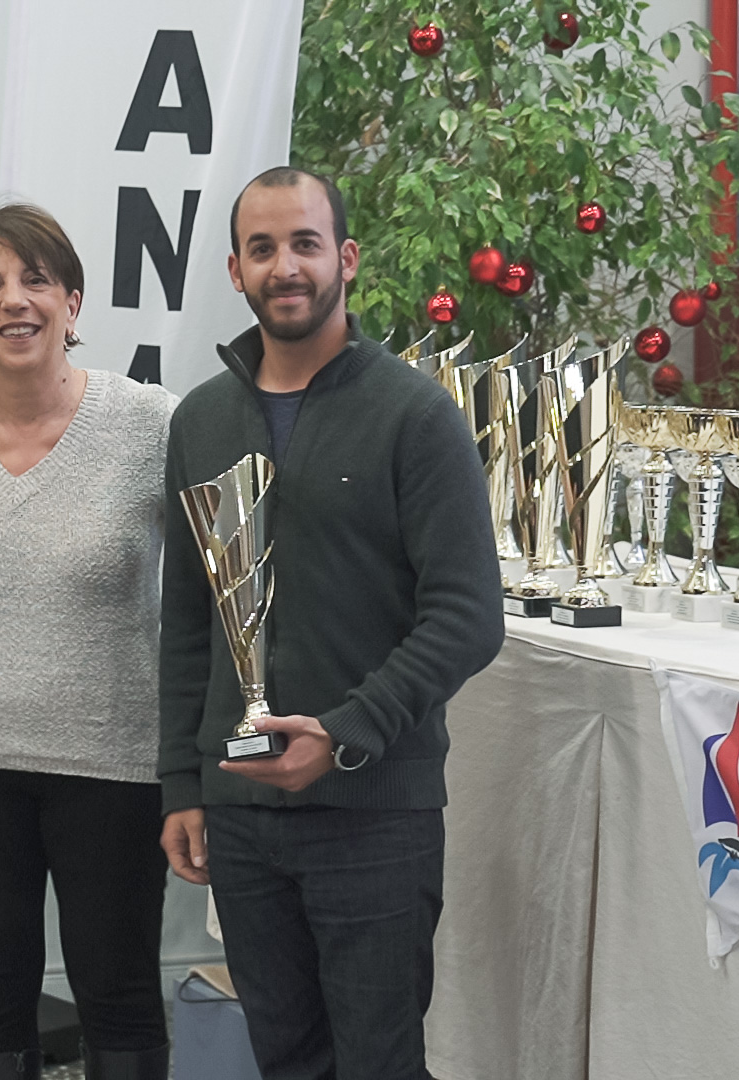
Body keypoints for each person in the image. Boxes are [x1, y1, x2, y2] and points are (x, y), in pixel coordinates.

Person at [157, 167, 505, 1079]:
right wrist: (183, 784)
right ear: (235, 270)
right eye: (262, 248)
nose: (286, 267)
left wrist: (347, 733)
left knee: (378, 1064)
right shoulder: (200, 421)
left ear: (345, 258)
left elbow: (470, 615)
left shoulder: (415, 417)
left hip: (373, 813)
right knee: (286, 1059)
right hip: (242, 813)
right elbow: (188, 621)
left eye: (305, 244)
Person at [0, 203, 178, 1080]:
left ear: (72, 303)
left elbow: (224, 587)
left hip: (114, 763)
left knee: (119, 989)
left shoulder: (151, 423)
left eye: (36, 280)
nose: (13, 301)